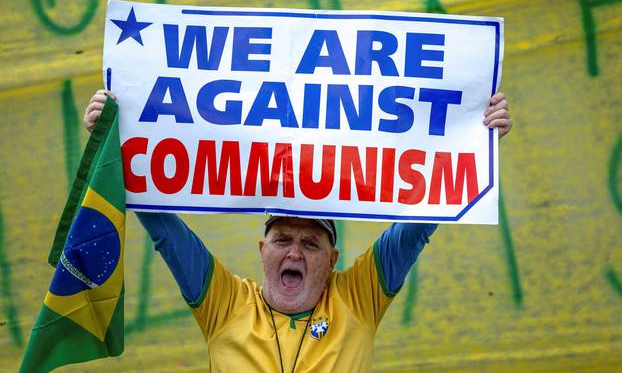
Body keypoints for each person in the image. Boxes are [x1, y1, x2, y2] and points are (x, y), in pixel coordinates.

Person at [84, 90, 512, 372]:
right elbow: (165, 231)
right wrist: (115, 142)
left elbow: (416, 226)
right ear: (262, 249)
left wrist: (473, 138)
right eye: (283, 239)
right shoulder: (225, 301)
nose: (295, 252)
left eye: (311, 243)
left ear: (332, 260)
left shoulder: (356, 298)